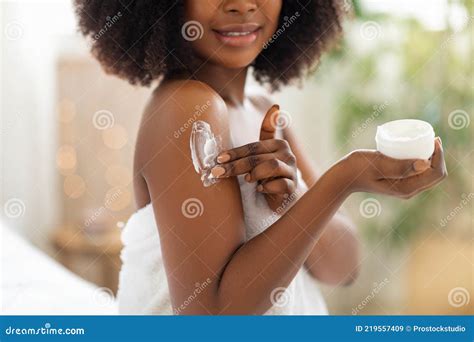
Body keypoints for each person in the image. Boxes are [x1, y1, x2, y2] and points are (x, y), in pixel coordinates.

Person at [74, 0, 447, 315]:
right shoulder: (187, 109)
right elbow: (212, 317)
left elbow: (343, 269)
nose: (242, 4)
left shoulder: (263, 110)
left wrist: (292, 201)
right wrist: (344, 178)